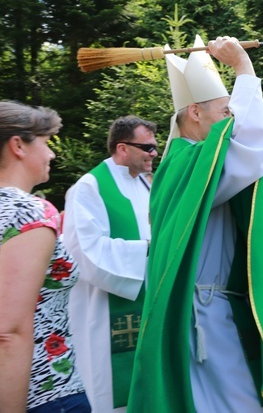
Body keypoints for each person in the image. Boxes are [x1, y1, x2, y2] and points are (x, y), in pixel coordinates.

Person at [128, 36, 263, 412]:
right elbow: (249, 152)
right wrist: (244, 70)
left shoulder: (186, 162)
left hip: (210, 308)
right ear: (195, 112)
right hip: (204, 317)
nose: (231, 119)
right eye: (226, 110)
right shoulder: (188, 163)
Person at [0, 101, 89, 412]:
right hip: (42, 393)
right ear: (18, 146)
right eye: (45, 142)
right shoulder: (28, 211)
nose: (51, 154)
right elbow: (8, 333)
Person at [64, 116, 156, 412]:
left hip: (149, 300)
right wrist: (151, 251)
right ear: (122, 148)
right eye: (148, 147)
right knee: (113, 391)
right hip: (108, 308)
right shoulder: (89, 187)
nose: (154, 153)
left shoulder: (145, 185)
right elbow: (87, 253)